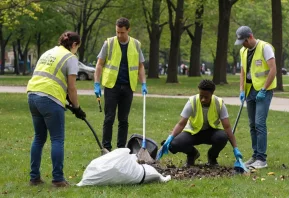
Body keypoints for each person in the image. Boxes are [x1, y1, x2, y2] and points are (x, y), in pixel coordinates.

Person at [27, 31, 86, 187]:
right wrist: (77, 108)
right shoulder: (71, 58)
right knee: (57, 139)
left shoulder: (48, 52)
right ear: (74, 45)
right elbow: (72, 87)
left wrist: (67, 99)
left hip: (32, 95)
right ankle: (58, 179)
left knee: (39, 138)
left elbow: (50, 77)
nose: (76, 50)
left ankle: (34, 178)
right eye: (77, 47)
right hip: (49, 98)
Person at [157, 79, 243, 167]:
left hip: (212, 133)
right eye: (201, 96)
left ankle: (212, 157)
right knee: (174, 144)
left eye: (206, 97)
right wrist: (170, 138)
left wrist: (235, 148)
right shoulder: (192, 101)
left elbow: (227, 127)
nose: (203, 99)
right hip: (193, 133)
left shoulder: (219, 103)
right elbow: (181, 124)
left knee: (223, 137)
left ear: (212, 94)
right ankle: (192, 154)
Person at [94, 17, 147, 151]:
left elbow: (140, 66)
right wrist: (96, 83)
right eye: (117, 32)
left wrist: (144, 83)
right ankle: (106, 148)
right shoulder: (109, 43)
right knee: (109, 118)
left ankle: (121, 149)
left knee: (123, 120)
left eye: (122, 32)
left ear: (128, 30)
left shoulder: (136, 44)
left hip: (128, 86)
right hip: (112, 86)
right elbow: (99, 64)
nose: (119, 35)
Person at [235, 26, 277, 169]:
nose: (243, 44)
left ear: (250, 37)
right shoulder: (243, 51)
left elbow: (273, 69)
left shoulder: (265, 48)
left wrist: (264, 89)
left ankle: (262, 159)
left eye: (244, 41)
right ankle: (255, 155)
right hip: (249, 91)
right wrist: (241, 90)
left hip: (263, 92)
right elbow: (242, 72)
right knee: (252, 125)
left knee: (260, 124)